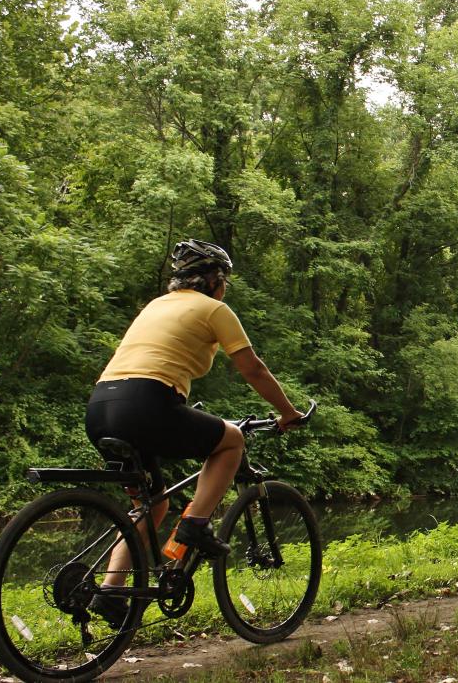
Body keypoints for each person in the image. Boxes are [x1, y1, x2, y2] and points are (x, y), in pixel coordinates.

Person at [84, 239, 302, 626]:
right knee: (231, 440)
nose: (225, 288)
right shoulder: (214, 309)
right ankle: (196, 525)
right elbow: (253, 369)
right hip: (147, 403)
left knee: (151, 504)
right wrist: (288, 412)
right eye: (225, 281)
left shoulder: (155, 306)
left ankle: (113, 590)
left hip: (102, 406)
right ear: (215, 281)